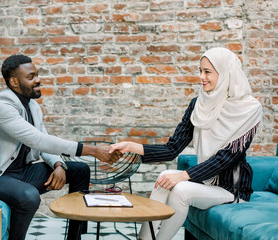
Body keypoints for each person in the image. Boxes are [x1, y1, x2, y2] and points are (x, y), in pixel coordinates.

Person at [0, 54, 118, 240]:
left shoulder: (33, 106)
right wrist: (93, 150)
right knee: (29, 196)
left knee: (80, 170)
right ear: (13, 82)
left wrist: (59, 165)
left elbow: (44, 142)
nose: (38, 80)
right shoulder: (0, 106)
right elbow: (37, 140)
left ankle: (75, 237)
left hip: (22, 173)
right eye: (31, 77)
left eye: (37, 75)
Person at [109, 47, 262, 240]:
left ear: (225, 74)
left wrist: (183, 175)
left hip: (232, 188)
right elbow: (172, 148)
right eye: (200, 70)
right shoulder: (198, 104)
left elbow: (225, 158)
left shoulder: (249, 109)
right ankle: (145, 238)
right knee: (164, 177)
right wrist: (131, 146)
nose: (201, 76)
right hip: (206, 181)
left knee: (181, 189)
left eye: (207, 72)